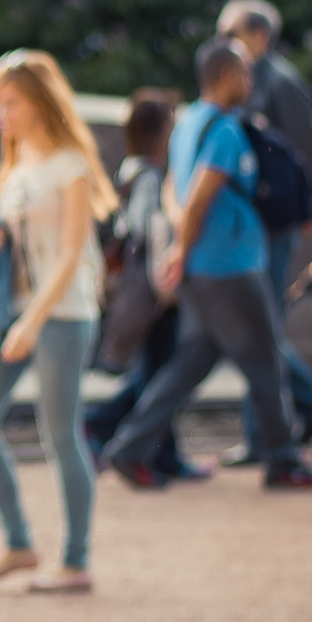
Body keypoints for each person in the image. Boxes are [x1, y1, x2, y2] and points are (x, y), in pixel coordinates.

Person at [103, 37, 312, 492]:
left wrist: (179, 245)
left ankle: (129, 447)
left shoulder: (189, 121)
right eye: (247, 73)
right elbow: (201, 196)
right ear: (227, 76)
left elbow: (176, 190)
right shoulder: (226, 130)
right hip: (228, 267)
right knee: (267, 362)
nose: (252, 82)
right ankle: (284, 459)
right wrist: (182, 248)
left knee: (192, 361)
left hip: (201, 268)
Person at [0, 52, 113, 592]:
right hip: (11, 313)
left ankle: (75, 560)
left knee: (60, 434)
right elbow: (13, 243)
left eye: (11, 102)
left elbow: (70, 255)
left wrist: (33, 321)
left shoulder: (70, 166)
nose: (2, 113)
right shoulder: (14, 164)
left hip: (63, 313)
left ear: (39, 102)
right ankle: (19, 542)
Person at [216, 0, 312, 466]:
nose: (223, 44)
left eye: (231, 34)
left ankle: (279, 426)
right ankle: (282, 424)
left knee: (258, 327)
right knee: (255, 327)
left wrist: (309, 205)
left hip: (274, 224)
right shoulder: (248, 81)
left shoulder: (281, 82)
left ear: (260, 34)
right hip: (254, 223)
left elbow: (306, 152)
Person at [85, 91, 205, 485]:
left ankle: (166, 454)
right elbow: (146, 231)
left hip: (142, 293)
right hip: (156, 293)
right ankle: (100, 426)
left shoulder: (129, 170)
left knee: (158, 371)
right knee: (160, 375)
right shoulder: (150, 176)